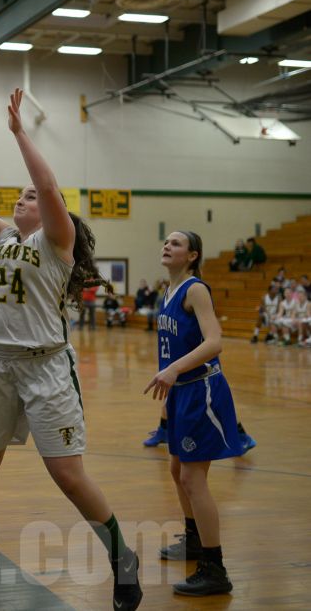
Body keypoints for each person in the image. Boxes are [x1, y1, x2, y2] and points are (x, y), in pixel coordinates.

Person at [0, 89, 142, 610]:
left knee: (67, 475)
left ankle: (121, 556)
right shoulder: (2, 238)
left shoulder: (56, 242)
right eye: (20, 196)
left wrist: (18, 133)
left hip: (45, 368)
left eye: (30, 197)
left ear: (53, 212)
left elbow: (49, 185)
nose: (22, 199)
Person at [145, 230, 239, 596]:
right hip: (181, 392)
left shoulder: (195, 289)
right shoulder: (168, 291)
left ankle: (215, 569)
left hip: (202, 390)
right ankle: (195, 540)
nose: (167, 246)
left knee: (192, 478)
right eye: (166, 242)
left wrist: (173, 370)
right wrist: (171, 380)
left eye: (176, 243)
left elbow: (215, 342)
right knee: (176, 469)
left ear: (193, 255)